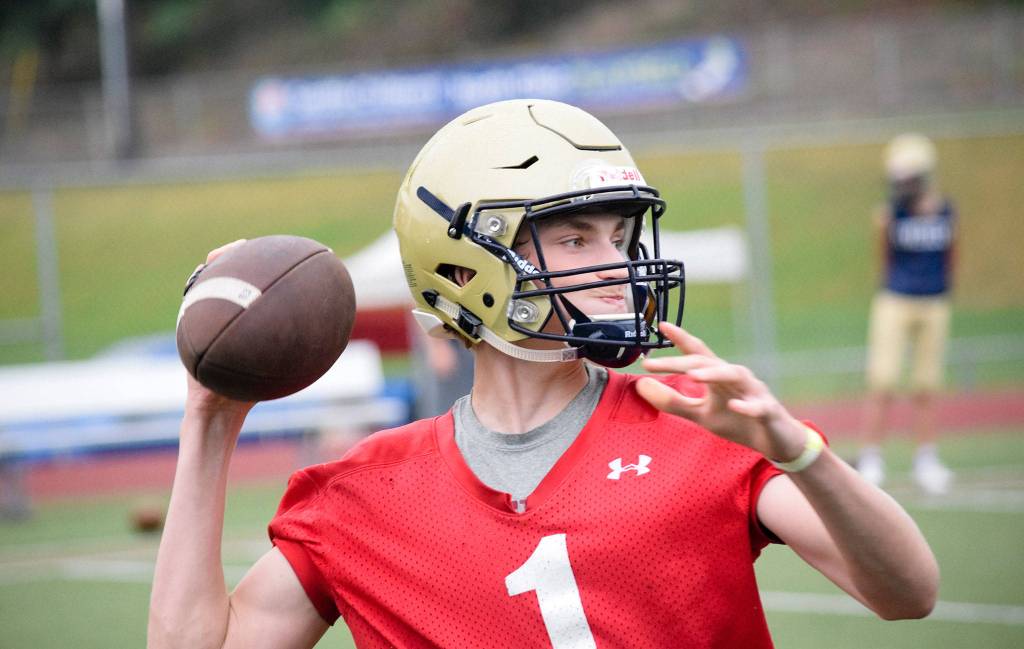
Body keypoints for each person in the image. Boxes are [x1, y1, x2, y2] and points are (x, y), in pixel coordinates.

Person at [149, 100, 938, 648]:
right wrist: (210, 421)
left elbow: (908, 592)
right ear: (465, 264)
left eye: (619, 236)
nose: (617, 266)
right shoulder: (361, 498)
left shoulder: (698, 416)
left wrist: (802, 452)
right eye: (574, 239)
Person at [857, 133, 956, 495]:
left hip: (934, 301)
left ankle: (926, 459)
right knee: (882, 381)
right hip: (896, 299)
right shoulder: (888, 214)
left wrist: (941, 289)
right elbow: (883, 259)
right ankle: (872, 458)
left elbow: (951, 257)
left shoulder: (946, 211)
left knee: (927, 384)